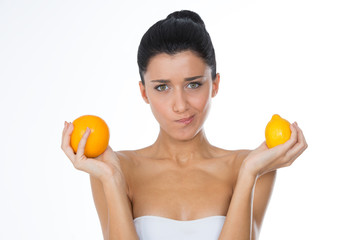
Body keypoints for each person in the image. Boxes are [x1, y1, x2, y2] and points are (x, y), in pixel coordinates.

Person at [61, 10, 307, 240]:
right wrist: (112, 179)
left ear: (215, 84)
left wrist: (248, 174)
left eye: (193, 84)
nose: (180, 105)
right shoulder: (113, 168)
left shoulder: (254, 166)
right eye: (162, 87)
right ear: (144, 92)